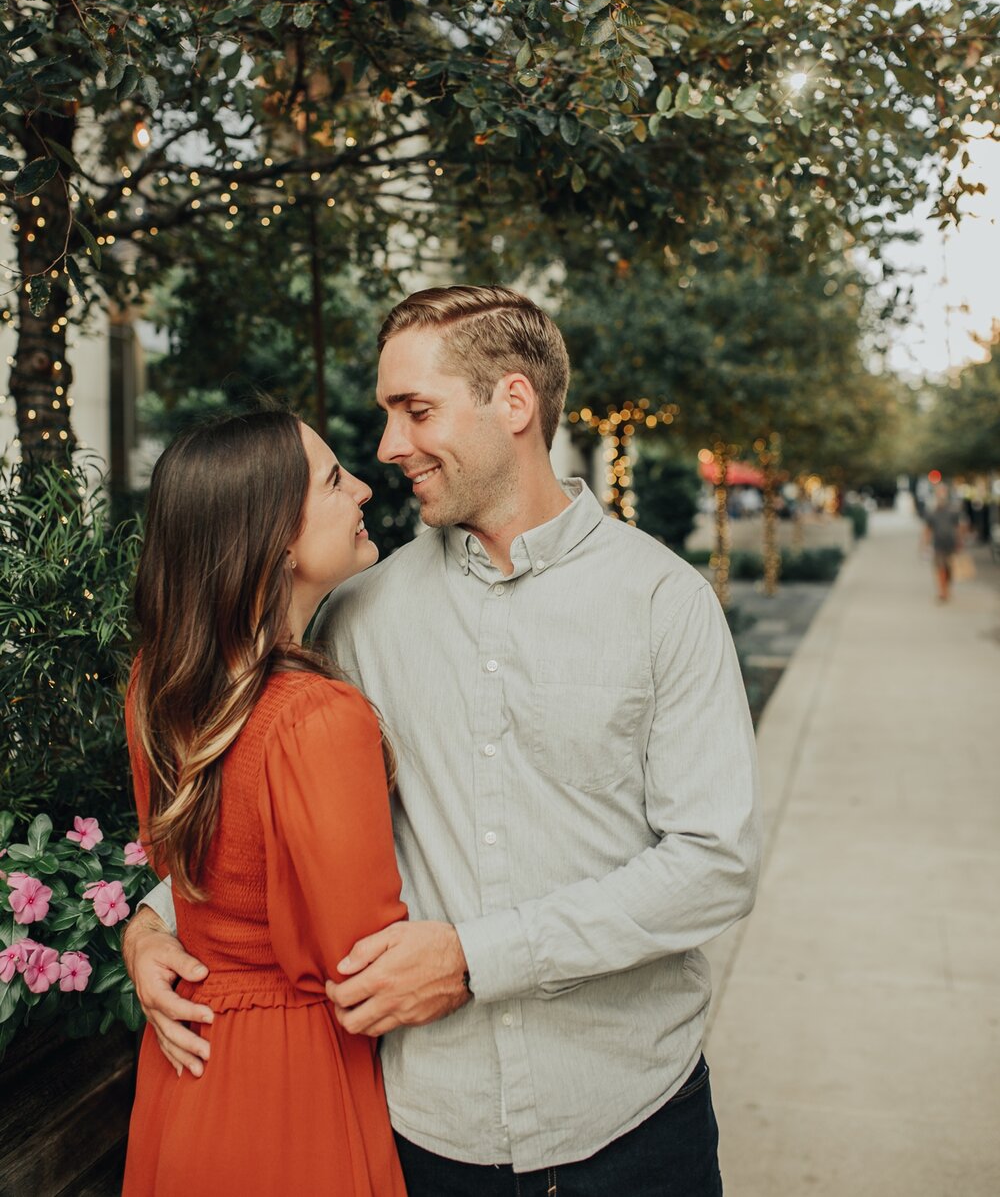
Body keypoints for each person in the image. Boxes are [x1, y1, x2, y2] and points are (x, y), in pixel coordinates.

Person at [126, 286, 762, 1197]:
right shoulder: (355, 613)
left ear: (514, 403)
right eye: (388, 414)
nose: (388, 448)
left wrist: (477, 957)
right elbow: (264, 797)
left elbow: (716, 863)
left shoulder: (664, 603)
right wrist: (156, 923)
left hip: (630, 1119)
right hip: (425, 1134)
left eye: (414, 411)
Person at [121, 408, 408, 1196]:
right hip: (289, 1083)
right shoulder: (318, 718)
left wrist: (142, 929)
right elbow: (361, 962)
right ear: (278, 538)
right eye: (333, 479)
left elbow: (195, 877)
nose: (364, 488)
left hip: (191, 1062)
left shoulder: (155, 683)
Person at [922, 480, 965, 602]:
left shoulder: (953, 509)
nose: (941, 494)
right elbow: (928, 528)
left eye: (943, 491)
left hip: (951, 543)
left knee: (949, 569)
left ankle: (947, 588)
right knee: (940, 567)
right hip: (938, 543)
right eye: (939, 492)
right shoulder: (932, 510)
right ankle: (942, 591)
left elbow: (958, 527)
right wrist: (925, 544)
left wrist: (960, 540)